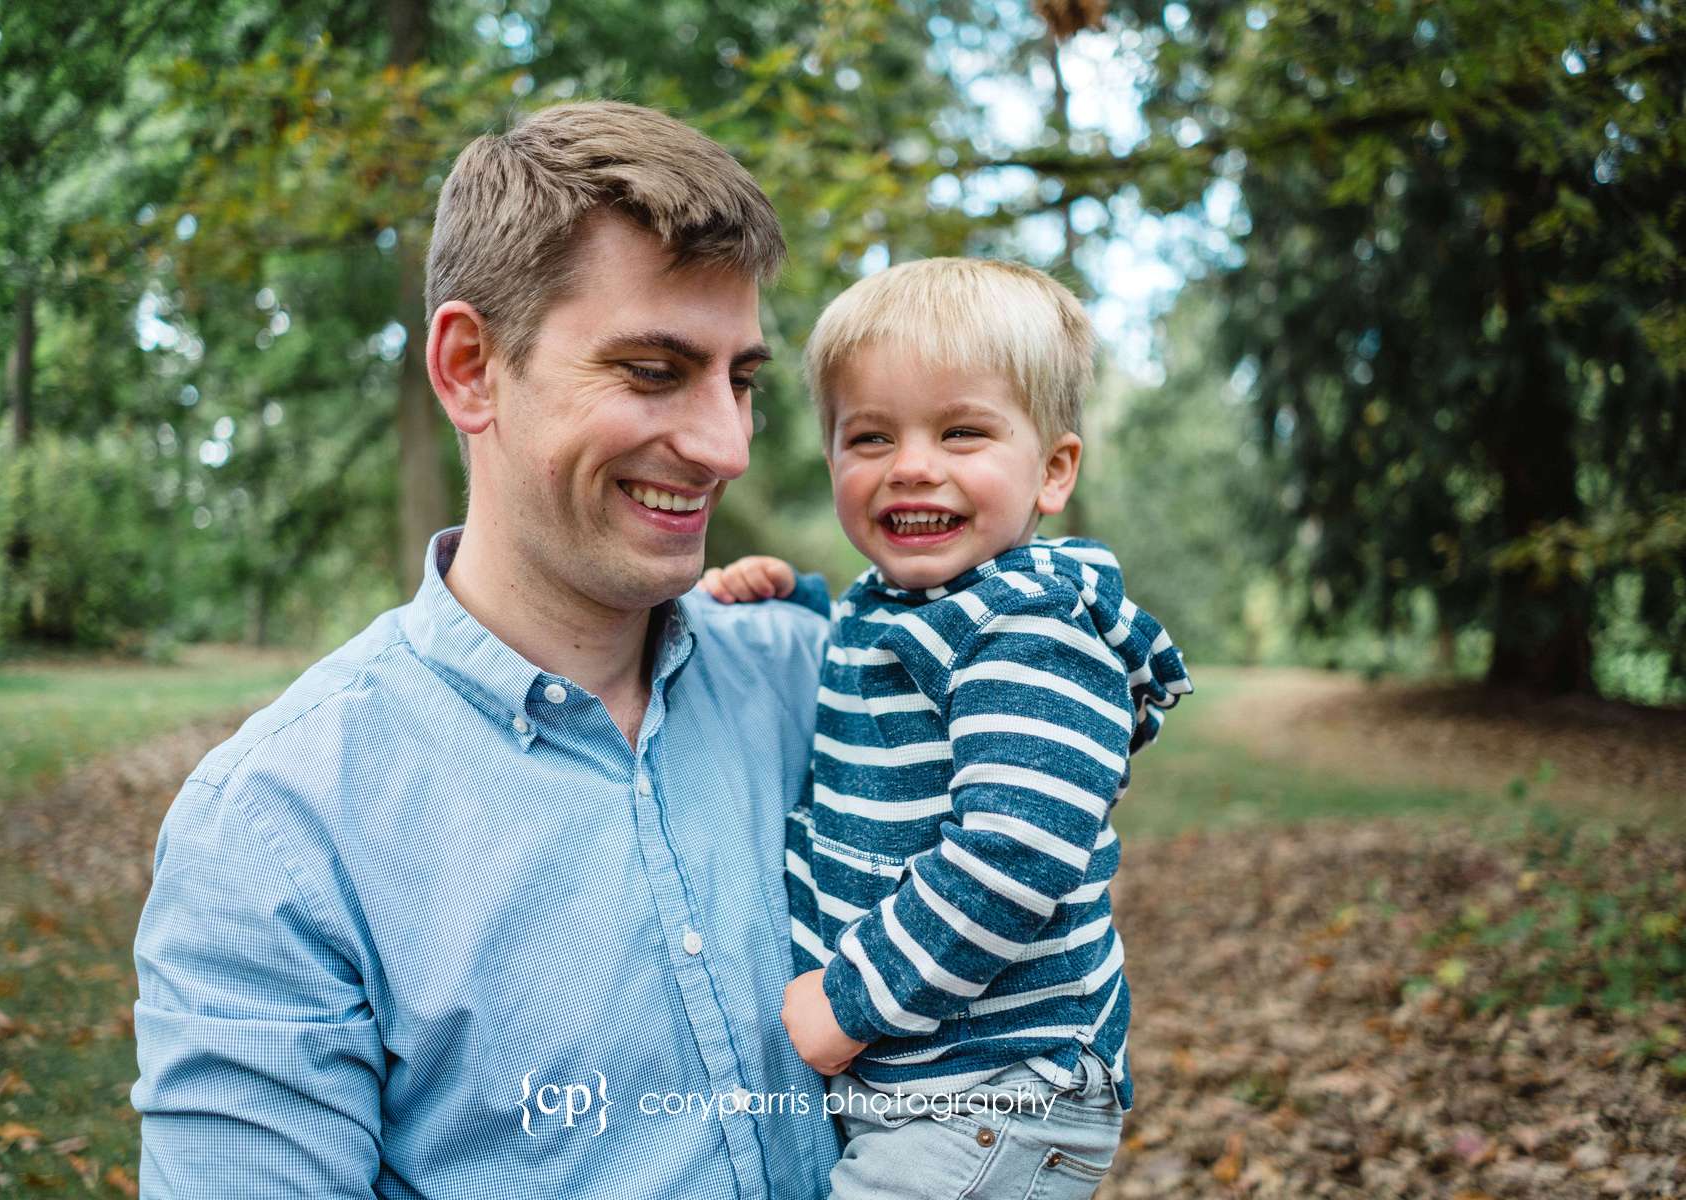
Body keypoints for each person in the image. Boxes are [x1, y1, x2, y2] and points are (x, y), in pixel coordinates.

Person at [131, 102, 841, 1198]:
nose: (725, 445)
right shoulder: (280, 829)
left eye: (739, 379)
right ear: (469, 368)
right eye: (655, 371)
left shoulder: (814, 684)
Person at [699, 258, 1193, 1198]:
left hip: (999, 1091)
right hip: (935, 1079)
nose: (912, 464)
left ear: (1052, 471)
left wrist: (851, 999)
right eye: (870, 437)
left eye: (962, 432)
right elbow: (883, 659)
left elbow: (1013, 856)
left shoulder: (1030, 631)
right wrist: (798, 601)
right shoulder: (906, 603)